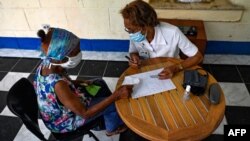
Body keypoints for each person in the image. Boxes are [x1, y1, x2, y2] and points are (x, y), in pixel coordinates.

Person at [34, 27, 133, 136]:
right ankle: (112, 129)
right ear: (62, 58)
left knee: (99, 83)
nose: (79, 53)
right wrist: (115, 96)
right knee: (113, 104)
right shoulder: (58, 85)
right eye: (76, 51)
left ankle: (106, 113)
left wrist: (79, 82)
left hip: (65, 105)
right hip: (64, 121)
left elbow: (62, 88)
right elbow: (84, 113)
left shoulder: (48, 64)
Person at [120, 0, 203, 79]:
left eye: (132, 30)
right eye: (128, 29)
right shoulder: (134, 33)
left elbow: (198, 56)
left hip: (171, 71)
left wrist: (176, 68)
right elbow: (133, 52)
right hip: (147, 70)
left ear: (146, 25)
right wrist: (134, 58)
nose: (130, 33)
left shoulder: (173, 32)